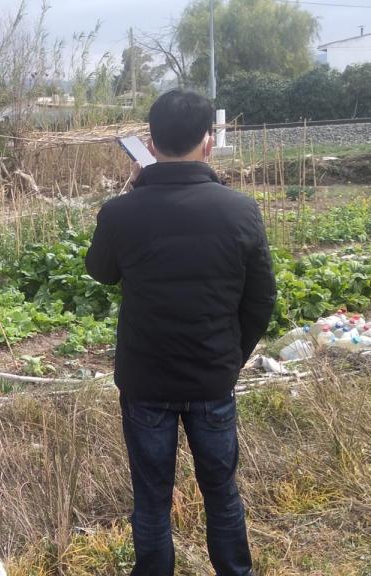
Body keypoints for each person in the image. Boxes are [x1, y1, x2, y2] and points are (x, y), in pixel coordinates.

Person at [85, 89, 276, 576]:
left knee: (151, 500)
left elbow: (100, 271)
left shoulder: (120, 212)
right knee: (221, 492)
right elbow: (260, 301)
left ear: (150, 141)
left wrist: (134, 191)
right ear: (208, 143)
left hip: (146, 383)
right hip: (212, 378)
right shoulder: (240, 210)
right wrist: (230, 358)